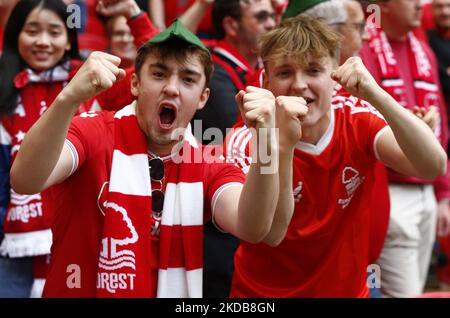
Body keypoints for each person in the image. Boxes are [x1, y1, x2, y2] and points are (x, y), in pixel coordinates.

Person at [10, 19, 290, 298]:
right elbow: (25, 180)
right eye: (159, 74)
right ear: (134, 83)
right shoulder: (92, 131)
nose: (171, 88)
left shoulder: (208, 162)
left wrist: (267, 139)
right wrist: (68, 98)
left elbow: (252, 227)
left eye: (188, 79)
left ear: (203, 97)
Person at [225, 15, 447, 297]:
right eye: (284, 73)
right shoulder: (246, 138)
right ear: (266, 82)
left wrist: (375, 93)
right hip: (261, 296)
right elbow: (266, 233)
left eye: (314, 70)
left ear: (334, 79)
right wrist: (279, 144)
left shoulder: (356, 116)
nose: (299, 85)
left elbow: (433, 165)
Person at [360, 0, 450, 297]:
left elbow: (441, 123)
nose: (419, 5)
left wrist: (442, 193)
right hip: (390, 189)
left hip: (426, 188)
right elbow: (364, 118)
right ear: (383, 5)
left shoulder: (422, 49)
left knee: (416, 288)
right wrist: (407, 126)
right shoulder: (365, 47)